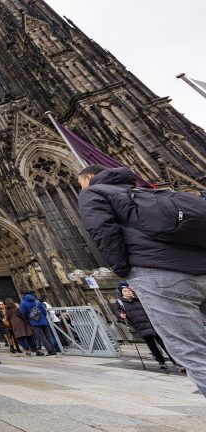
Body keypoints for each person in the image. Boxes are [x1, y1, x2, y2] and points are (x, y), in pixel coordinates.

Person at [77, 164, 206, 396]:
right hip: (198, 268)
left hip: (158, 274)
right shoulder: (146, 191)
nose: (81, 188)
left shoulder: (94, 192)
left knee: (193, 351)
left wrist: (122, 271)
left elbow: (103, 231)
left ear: (88, 177)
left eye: (79, 184)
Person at [116, 283, 181, 370]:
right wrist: (121, 315)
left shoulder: (139, 299)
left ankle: (175, 362)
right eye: (125, 291)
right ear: (121, 293)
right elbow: (119, 312)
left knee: (164, 344)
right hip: (141, 326)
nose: (128, 292)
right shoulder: (120, 302)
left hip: (153, 324)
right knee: (152, 346)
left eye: (129, 290)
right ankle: (161, 362)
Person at [19, 291, 56, 356]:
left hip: (34, 322)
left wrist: (27, 320)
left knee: (42, 337)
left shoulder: (23, 303)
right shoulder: (37, 301)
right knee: (48, 336)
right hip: (43, 321)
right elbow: (44, 311)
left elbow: (23, 313)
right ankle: (53, 350)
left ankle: (50, 351)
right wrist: (43, 318)